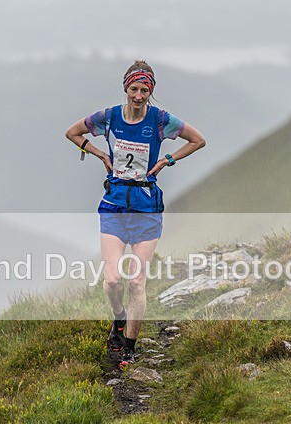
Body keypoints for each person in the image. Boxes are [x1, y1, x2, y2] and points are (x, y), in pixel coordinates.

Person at [65, 60, 206, 366]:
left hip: (146, 207)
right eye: (134, 89)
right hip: (115, 205)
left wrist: (167, 158)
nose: (139, 96)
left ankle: (128, 346)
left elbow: (198, 140)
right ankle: (118, 320)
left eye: (144, 90)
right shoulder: (109, 117)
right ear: (125, 88)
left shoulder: (160, 120)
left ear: (151, 92)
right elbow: (72, 133)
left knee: (136, 282)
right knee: (113, 280)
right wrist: (99, 152)